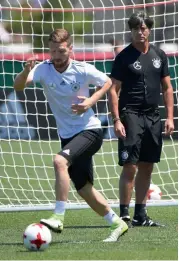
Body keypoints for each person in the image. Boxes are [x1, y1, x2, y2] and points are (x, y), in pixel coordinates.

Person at [13, 28, 128, 242]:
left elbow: (108, 82)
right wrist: (25, 70)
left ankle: (58, 216)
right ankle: (117, 222)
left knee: (59, 161)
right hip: (68, 135)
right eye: (53, 51)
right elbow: (18, 86)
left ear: (70, 49)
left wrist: (90, 102)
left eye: (61, 51)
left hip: (90, 131)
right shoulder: (43, 69)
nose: (56, 56)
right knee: (83, 188)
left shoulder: (82, 69)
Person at [108, 12, 174, 227]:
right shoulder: (124, 57)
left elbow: (167, 88)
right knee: (130, 165)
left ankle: (141, 215)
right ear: (131, 31)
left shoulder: (159, 55)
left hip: (153, 116)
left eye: (144, 28)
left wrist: (170, 117)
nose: (140, 31)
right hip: (131, 114)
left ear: (149, 30)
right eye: (136, 28)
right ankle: (124, 214)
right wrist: (117, 119)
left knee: (147, 166)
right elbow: (113, 90)